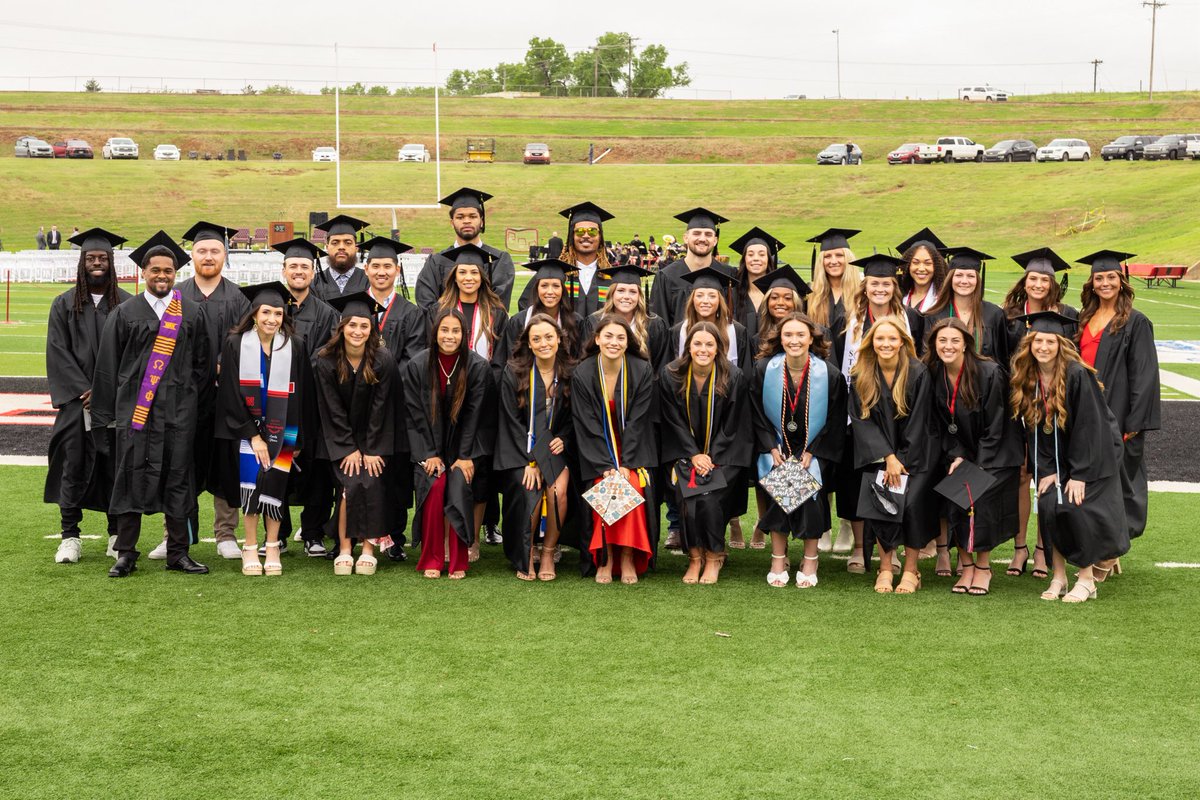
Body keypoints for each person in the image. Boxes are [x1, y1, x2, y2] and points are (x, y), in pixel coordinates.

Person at [91, 231, 210, 577]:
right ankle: (126, 552)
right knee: (130, 478)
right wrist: (107, 417)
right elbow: (108, 368)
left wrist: (191, 405)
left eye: (168, 271)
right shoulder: (126, 313)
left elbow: (202, 366)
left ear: (177, 274)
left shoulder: (190, 313)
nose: (162, 276)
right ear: (143, 272)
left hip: (179, 414)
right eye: (155, 270)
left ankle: (178, 552)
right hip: (137, 415)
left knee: (178, 479)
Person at [1010, 310, 1129, 602]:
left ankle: (1087, 579)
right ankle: (1059, 577)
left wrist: (1078, 475)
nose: (1044, 347)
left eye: (1051, 341)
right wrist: (1046, 470)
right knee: (1050, 504)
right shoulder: (1030, 377)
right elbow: (1033, 432)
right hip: (1059, 459)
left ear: (1061, 343)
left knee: (1075, 506)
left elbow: (1090, 428)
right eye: (1038, 341)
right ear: (1030, 343)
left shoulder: (1077, 374)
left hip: (1094, 457)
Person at [146, 221, 247, 563]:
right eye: (202, 251)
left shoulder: (239, 298)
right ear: (192, 255)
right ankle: (175, 534)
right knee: (179, 463)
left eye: (215, 251)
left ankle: (226, 533)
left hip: (225, 398)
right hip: (181, 397)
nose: (208, 256)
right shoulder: (175, 296)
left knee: (226, 463)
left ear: (225, 255)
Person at [45, 227, 131, 564]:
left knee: (113, 467)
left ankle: (114, 534)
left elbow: (133, 355)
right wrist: (84, 390)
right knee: (72, 465)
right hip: (75, 404)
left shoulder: (126, 304)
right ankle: (70, 537)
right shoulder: (64, 304)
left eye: (103, 258)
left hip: (114, 405)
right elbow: (57, 351)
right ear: (82, 263)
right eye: (91, 258)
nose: (97, 263)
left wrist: (106, 392)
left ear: (112, 262)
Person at [834, 253, 925, 569]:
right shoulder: (846, 320)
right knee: (854, 481)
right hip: (857, 415)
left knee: (896, 480)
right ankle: (860, 548)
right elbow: (837, 366)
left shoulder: (912, 319)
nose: (880, 288)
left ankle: (891, 551)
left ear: (894, 286)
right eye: (874, 283)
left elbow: (918, 365)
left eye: (886, 283)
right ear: (865, 285)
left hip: (901, 417)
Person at [214, 282, 310, 577]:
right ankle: (250, 547)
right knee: (252, 486)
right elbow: (229, 393)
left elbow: (303, 392)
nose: (272, 319)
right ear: (254, 314)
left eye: (278, 313)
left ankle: (272, 546)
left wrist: (296, 437)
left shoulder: (295, 345)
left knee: (275, 487)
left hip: (285, 430)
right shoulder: (235, 344)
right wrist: (253, 434)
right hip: (247, 432)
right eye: (266, 312)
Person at [923, 317, 1024, 595]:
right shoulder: (934, 373)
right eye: (942, 340)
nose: (948, 346)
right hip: (959, 452)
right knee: (954, 495)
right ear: (934, 344)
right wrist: (957, 455)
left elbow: (997, 424)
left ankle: (983, 567)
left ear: (967, 344)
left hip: (997, 453)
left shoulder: (989, 372)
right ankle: (965, 566)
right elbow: (940, 423)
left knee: (977, 499)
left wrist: (976, 463)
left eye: (955, 340)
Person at [1075, 249, 1161, 567]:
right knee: (1090, 481)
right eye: (1100, 278)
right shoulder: (1084, 318)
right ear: (1092, 283)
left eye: (1111, 277)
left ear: (1122, 281)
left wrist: (1134, 422)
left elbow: (1145, 374)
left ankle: (1110, 554)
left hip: (1118, 415)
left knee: (1118, 483)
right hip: (1086, 413)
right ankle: (1100, 546)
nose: (1106, 282)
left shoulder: (1136, 322)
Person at [660, 322, 759, 584]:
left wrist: (711, 457)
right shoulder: (671, 375)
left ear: (718, 349)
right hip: (684, 453)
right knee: (688, 497)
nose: (703, 349)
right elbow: (672, 422)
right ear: (688, 347)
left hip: (725, 456)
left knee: (709, 497)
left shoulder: (733, 376)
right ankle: (694, 557)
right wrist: (694, 455)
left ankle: (714, 556)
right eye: (697, 344)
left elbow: (735, 425)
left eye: (709, 344)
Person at [753, 313, 847, 588]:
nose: (794, 340)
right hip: (775, 448)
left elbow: (835, 420)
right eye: (788, 335)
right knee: (778, 492)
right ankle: (778, 558)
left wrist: (813, 451)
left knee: (811, 498)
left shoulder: (829, 375)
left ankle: (810, 558)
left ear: (811, 339)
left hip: (815, 451)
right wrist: (771, 448)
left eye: (800, 335)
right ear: (779, 338)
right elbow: (755, 414)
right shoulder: (763, 369)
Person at [1001, 246, 1077, 577]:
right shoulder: (1010, 314)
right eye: (1033, 278)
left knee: (1048, 477)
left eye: (1044, 279)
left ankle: (1044, 549)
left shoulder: (1066, 313)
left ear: (1053, 284)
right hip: (1019, 406)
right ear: (1025, 280)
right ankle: (1020, 549)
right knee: (1021, 475)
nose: (1038, 284)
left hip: (1052, 407)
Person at [848, 316, 936, 594]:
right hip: (879, 455)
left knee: (910, 505)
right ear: (871, 343)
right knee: (882, 503)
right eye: (880, 338)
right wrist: (888, 457)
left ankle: (911, 570)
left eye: (891, 339)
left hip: (916, 455)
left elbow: (921, 420)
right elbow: (861, 421)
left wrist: (902, 459)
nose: (885, 343)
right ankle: (885, 567)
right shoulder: (861, 374)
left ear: (902, 342)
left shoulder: (918, 372)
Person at [405, 309, 495, 579]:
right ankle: (432, 556)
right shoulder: (418, 365)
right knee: (435, 486)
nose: (449, 336)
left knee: (457, 484)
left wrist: (465, 456)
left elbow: (476, 415)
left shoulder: (477, 367)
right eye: (444, 330)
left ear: (464, 335)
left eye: (456, 331)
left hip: (465, 449)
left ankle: (457, 559)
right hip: (428, 447)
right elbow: (414, 414)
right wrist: (429, 454)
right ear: (435, 332)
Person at [313, 292, 397, 576]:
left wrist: (372, 449)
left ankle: (369, 549)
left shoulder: (382, 360)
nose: (358, 331)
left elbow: (381, 408)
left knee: (371, 480)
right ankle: (346, 548)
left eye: (364, 326)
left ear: (372, 329)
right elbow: (331, 409)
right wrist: (348, 448)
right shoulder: (325, 360)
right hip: (339, 440)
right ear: (342, 327)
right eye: (352, 325)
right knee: (350, 484)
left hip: (375, 438)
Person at [572, 315, 658, 583]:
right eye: (608, 336)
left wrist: (626, 463)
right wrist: (605, 466)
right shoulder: (583, 373)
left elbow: (638, 421)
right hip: (595, 451)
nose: (614, 342)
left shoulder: (641, 369)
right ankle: (607, 557)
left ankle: (628, 557)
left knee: (631, 482)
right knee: (604, 484)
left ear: (628, 341)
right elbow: (587, 424)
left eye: (621, 337)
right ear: (597, 339)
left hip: (635, 449)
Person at [271, 238, 340, 557]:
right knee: (277, 466)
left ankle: (313, 533)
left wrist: (292, 369)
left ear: (314, 272)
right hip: (277, 404)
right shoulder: (271, 309)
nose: (299, 271)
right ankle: (279, 533)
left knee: (318, 471)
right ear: (284, 270)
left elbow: (327, 355)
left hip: (314, 405)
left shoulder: (326, 312)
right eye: (293, 266)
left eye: (305, 267)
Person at [495, 314, 576, 580]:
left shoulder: (570, 372)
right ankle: (526, 552)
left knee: (557, 491)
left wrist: (564, 437)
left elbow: (577, 416)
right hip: (522, 449)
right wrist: (530, 461)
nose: (543, 343)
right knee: (528, 488)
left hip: (554, 448)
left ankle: (550, 551)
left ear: (559, 340)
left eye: (549, 337)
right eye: (536, 338)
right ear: (528, 344)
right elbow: (510, 420)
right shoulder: (514, 371)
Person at [361, 235, 426, 558]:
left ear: (397, 270)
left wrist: (378, 380)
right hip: (360, 407)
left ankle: (395, 537)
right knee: (362, 475)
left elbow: (413, 360)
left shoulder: (411, 313)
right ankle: (361, 535)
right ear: (366, 268)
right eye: (376, 266)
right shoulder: (354, 307)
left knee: (397, 476)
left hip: (398, 410)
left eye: (388, 266)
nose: (382, 271)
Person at [415, 187, 515, 308]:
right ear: (452, 223)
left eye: (472, 216)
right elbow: (426, 304)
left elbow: (498, 305)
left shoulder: (498, 259)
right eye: (460, 217)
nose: (466, 221)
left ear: (482, 221)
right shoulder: (436, 261)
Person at [519, 202, 616, 319]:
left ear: (600, 237)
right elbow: (527, 307)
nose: (586, 235)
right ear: (572, 236)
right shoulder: (555, 273)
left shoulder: (612, 277)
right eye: (580, 231)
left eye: (592, 231)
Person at [924, 247, 1008, 365]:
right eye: (959, 275)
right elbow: (928, 360)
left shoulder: (994, 314)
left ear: (978, 280)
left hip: (984, 381)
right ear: (950, 278)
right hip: (944, 381)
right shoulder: (934, 316)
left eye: (970, 276)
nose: (964, 281)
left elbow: (1003, 359)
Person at [650, 207, 731, 326]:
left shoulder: (729, 275)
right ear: (686, 238)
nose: (702, 239)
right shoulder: (666, 277)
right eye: (696, 233)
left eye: (708, 234)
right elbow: (659, 325)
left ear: (715, 240)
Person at [582, 265, 670, 371]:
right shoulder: (594, 322)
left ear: (639, 296)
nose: (626, 296)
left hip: (643, 386)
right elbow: (585, 362)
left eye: (633, 292)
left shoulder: (653, 324)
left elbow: (661, 366)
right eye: (621, 290)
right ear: (612, 294)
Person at [669, 267, 752, 374]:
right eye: (699, 295)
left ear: (720, 300)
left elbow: (746, 374)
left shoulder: (737, 332)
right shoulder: (678, 331)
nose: (705, 301)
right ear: (692, 299)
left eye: (712, 296)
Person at [505, 259, 584, 360]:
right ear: (537, 289)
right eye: (544, 286)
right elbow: (511, 360)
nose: (550, 291)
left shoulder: (575, 322)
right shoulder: (519, 321)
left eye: (556, 286)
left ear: (562, 290)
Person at [803, 227, 861, 366]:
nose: (833, 261)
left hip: (853, 364)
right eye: (827, 256)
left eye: (839, 255)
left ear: (848, 258)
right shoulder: (810, 294)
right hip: (819, 364)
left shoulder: (862, 292)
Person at [727, 226, 785, 341]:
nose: (756, 258)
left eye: (762, 254)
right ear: (744, 260)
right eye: (750, 254)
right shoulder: (733, 295)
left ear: (769, 259)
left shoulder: (778, 294)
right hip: (740, 355)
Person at [751, 265, 812, 359]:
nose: (780, 303)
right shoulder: (758, 340)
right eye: (774, 298)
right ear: (767, 302)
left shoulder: (812, 334)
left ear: (796, 303)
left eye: (788, 298)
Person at [311, 214, 372, 299]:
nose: (341, 247)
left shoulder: (369, 281)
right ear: (327, 248)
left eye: (348, 242)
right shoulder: (315, 282)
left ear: (356, 248)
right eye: (335, 243)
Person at [896, 227, 948, 314]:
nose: (921, 268)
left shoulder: (943, 299)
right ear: (907, 266)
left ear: (936, 267)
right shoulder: (898, 295)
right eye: (915, 262)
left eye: (928, 263)